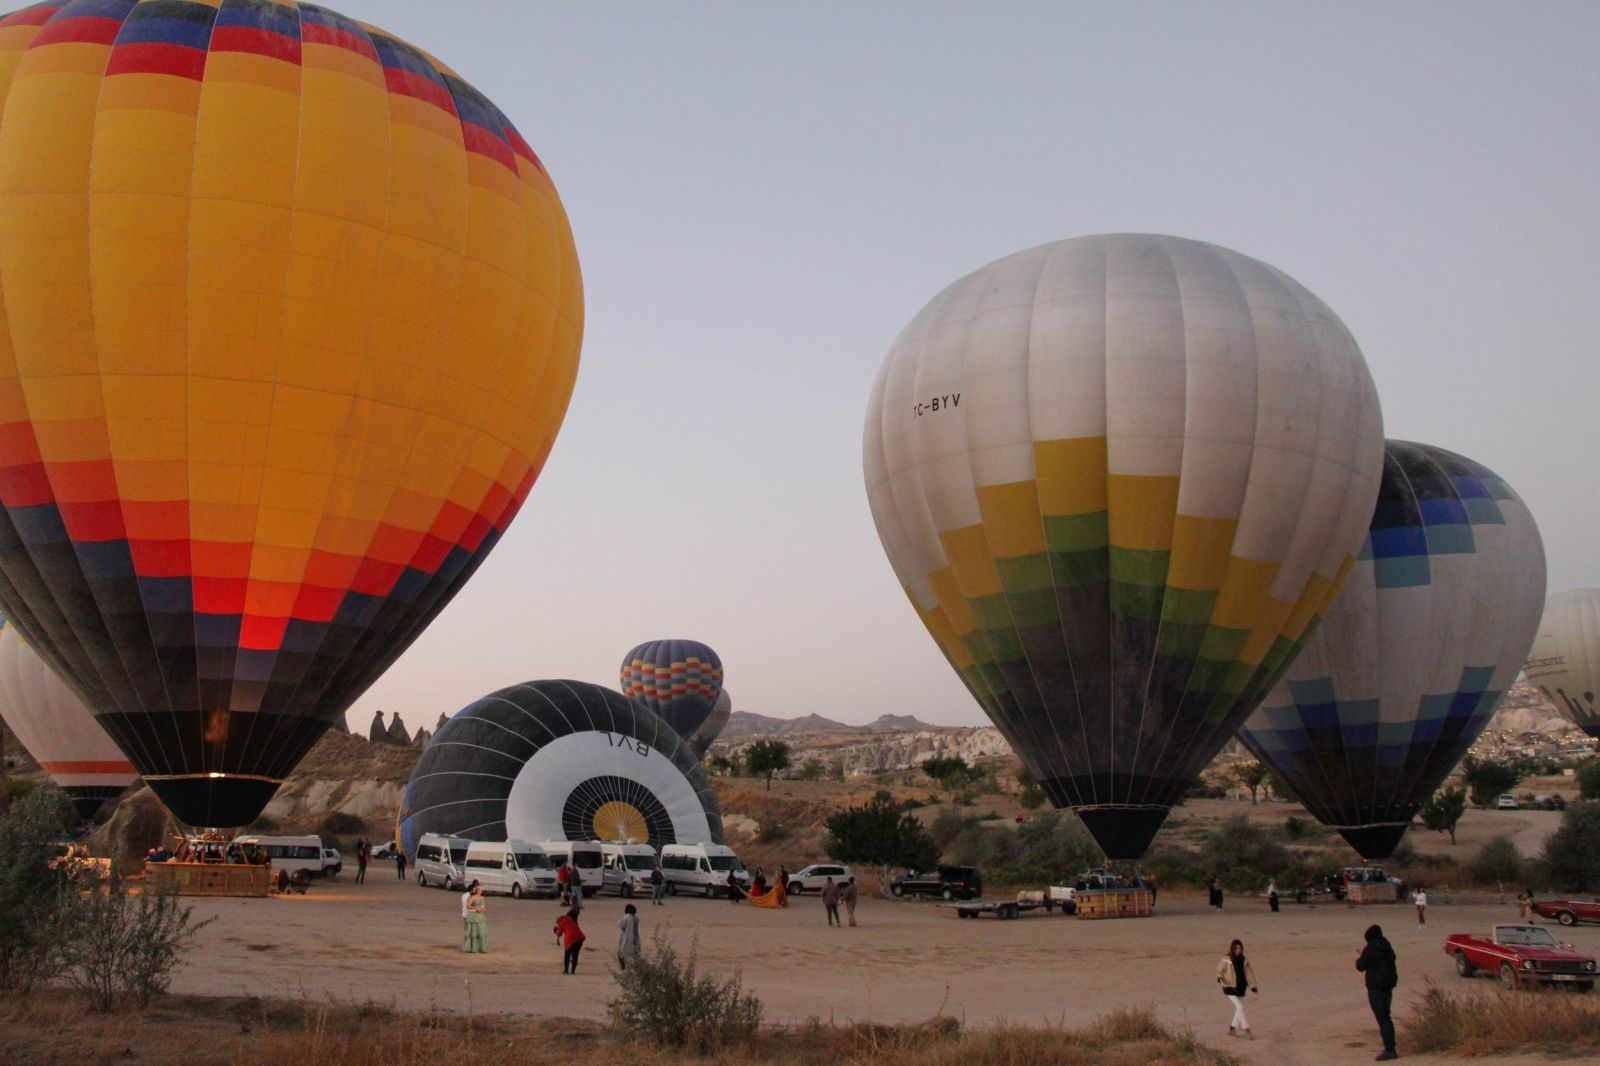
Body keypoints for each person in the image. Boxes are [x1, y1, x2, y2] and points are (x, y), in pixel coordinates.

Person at [1356, 923, 1399, 1061]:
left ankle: (1390, 1050)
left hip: (1376, 988)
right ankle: (1390, 1047)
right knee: (1386, 1017)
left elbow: (1360, 966)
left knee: (1383, 1019)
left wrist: (1359, 957)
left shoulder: (1370, 949)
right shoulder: (1387, 946)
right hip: (1388, 986)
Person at [1215, 938, 1258, 1039]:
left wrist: (1252, 986)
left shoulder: (1244, 959)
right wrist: (1220, 978)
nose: (1238, 950)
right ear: (1232, 948)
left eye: (1240, 948)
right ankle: (1247, 1029)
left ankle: (1232, 1029)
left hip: (1241, 987)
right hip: (1229, 986)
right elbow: (1219, 969)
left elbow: (1249, 973)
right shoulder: (1226, 958)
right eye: (1236, 948)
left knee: (1239, 1009)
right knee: (1240, 1008)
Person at [555, 907, 585, 975]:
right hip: (580, 937)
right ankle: (573, 971)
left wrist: (555, 931)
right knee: (576, 955)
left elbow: (559, 934)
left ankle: (566, 970)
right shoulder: (569, 918)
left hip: (571, 939)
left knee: (567, 955)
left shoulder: (561, 922)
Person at [464, 883, 487, 953]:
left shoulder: (482, 898)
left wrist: (482, 910)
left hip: (480, 916)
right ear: (477, 890)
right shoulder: (473, 897)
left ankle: (481, 947)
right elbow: (468, 906)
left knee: (480, 931)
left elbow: (483, 906)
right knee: (474, 931)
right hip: (473, 915)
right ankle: (473, 947)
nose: (480, 891)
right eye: (479, 890)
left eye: (481, 890)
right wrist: (476, 908)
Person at [616, 903, 641, 970]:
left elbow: (623, 926)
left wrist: (618, 923)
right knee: (635, 953)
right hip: (635, 937)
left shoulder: (627, 917)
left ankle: (623, 966)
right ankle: (637, 967)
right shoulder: (636, 917)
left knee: (621, 953)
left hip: (627, 937)